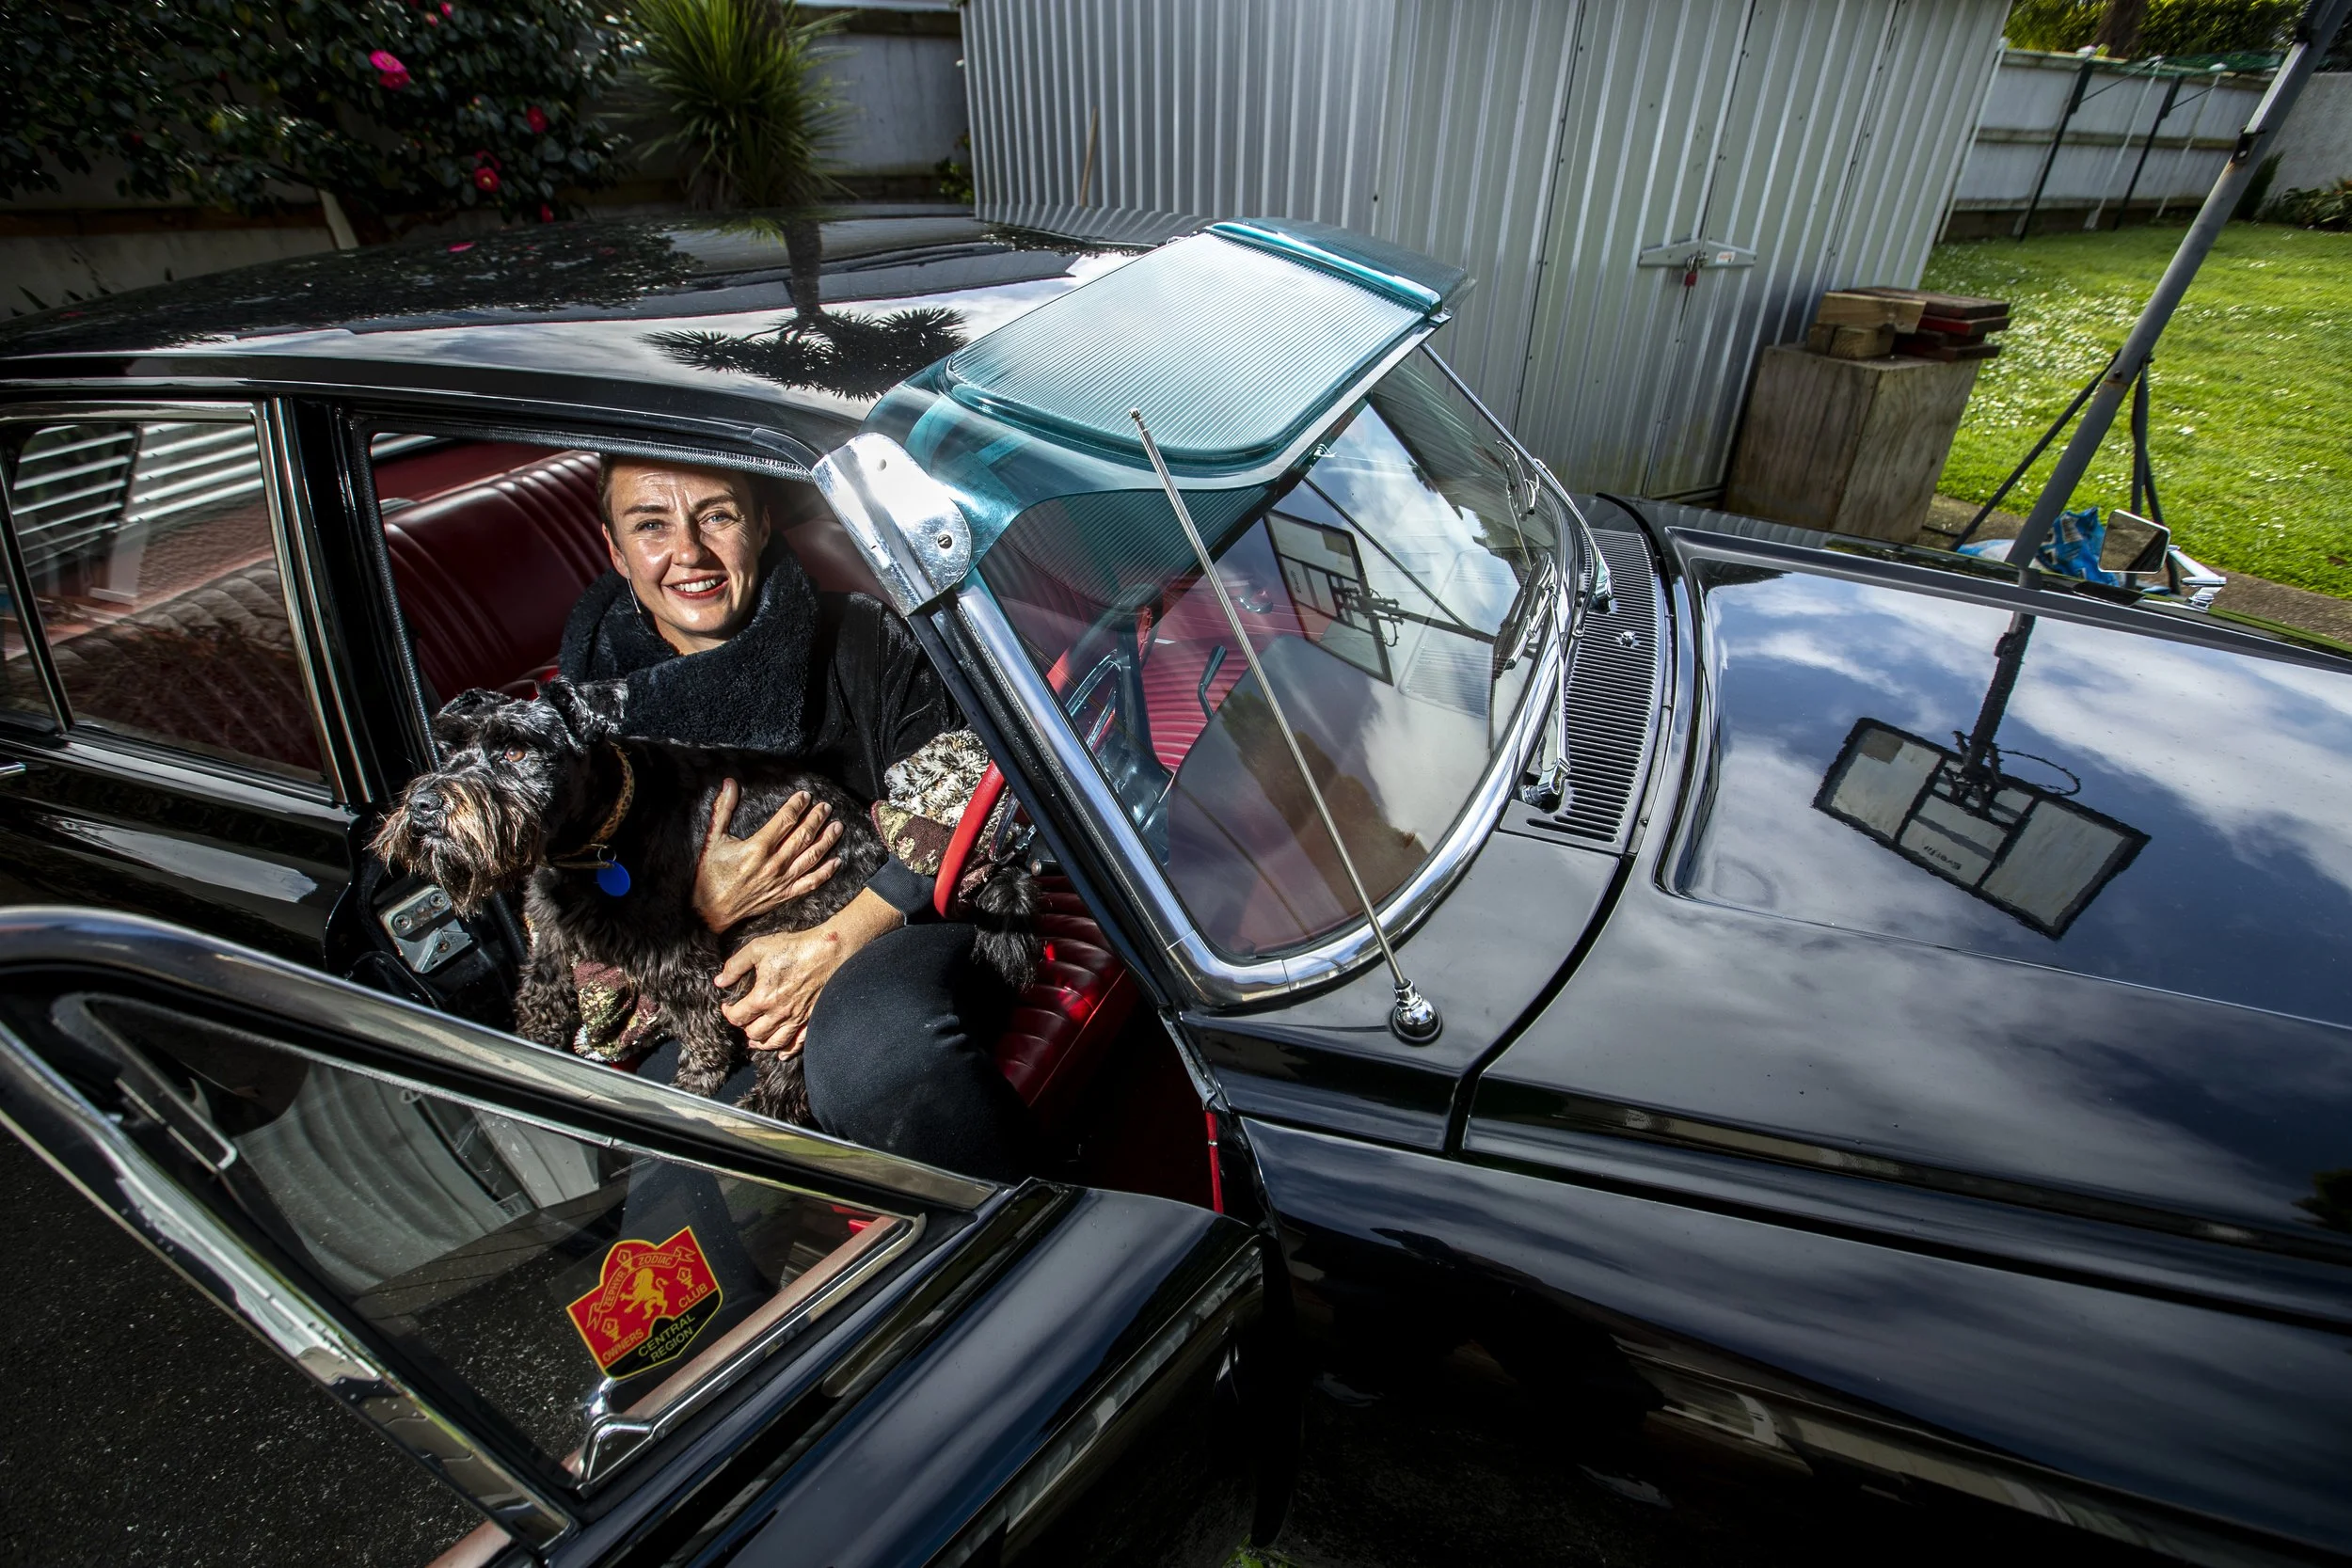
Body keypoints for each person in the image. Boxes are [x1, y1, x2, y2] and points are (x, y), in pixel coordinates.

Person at [555, 456, 1035, 1180]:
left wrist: (833, 941)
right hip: (697, 986)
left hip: (891, 925)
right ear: (616, 550)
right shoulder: (584, 718)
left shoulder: (861, 638)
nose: (688, 552)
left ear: (761, 523)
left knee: (877, 1051)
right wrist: (700, 909)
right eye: (652, 526)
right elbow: (577, 946)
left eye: (716, 515)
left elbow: (974, 788)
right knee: (666, 1169)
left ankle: (1036, 1252)